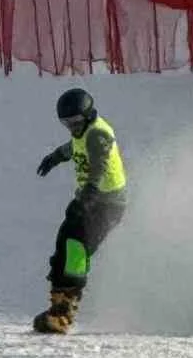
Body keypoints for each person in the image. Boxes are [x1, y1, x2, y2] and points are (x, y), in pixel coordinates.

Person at [33, 88, 127, 333]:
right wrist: (56, 156)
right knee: (65, 243)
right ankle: (58, 304)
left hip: (106, 203)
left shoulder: (98, 134)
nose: (71, 127)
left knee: (77, 247)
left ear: (87, 115)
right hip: (89, 199)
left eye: (74, 122)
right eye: (66, 123)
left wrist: (92, 192)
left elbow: (99, 164)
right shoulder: (83, 132)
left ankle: (65, 313)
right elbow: (74, 146)